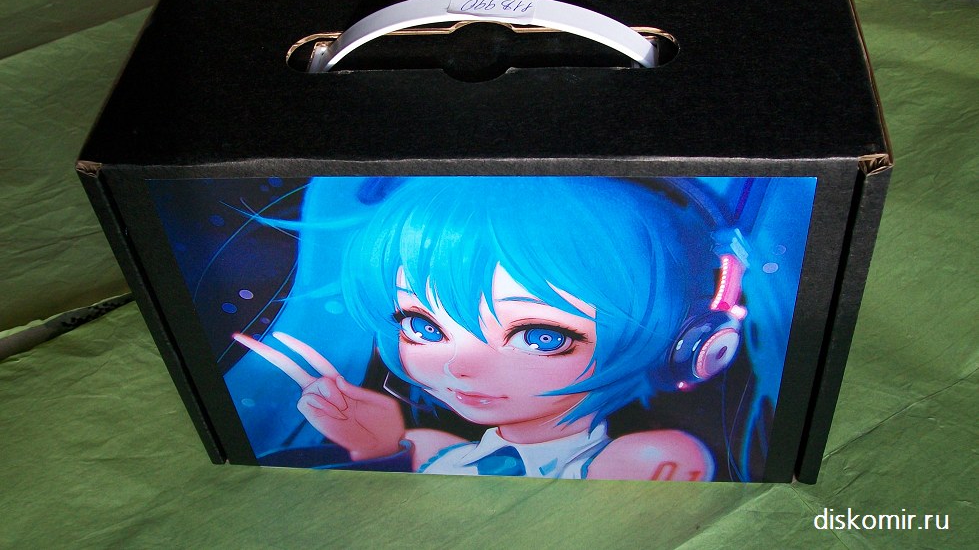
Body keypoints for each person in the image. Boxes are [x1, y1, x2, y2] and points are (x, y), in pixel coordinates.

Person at [233, 176, 756, 480]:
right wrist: (378, 449)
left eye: (541, 336)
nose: (460, 366)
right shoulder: (433, 449)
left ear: (693, 343)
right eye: (423, 326)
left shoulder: (642, 460)